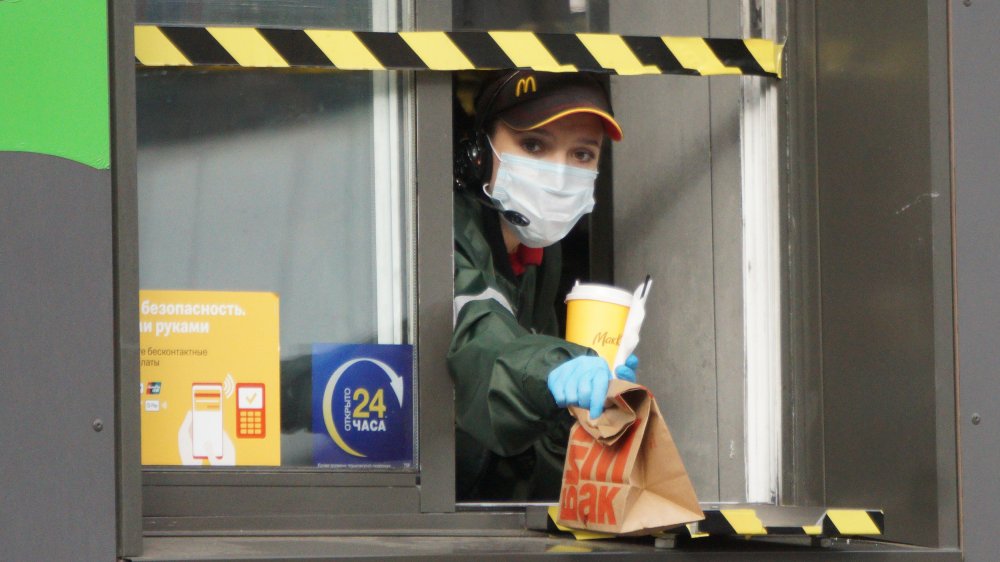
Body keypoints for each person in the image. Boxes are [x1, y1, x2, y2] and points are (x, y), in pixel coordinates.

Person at [449, 70, 640, 501]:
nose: (558, 176)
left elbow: (527, 461)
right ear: (480, 152)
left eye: (582, 154)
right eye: (533, 145)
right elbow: (480, 343)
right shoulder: (444, 233)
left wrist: (577, 413)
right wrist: (554, 370)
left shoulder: (540, 259)